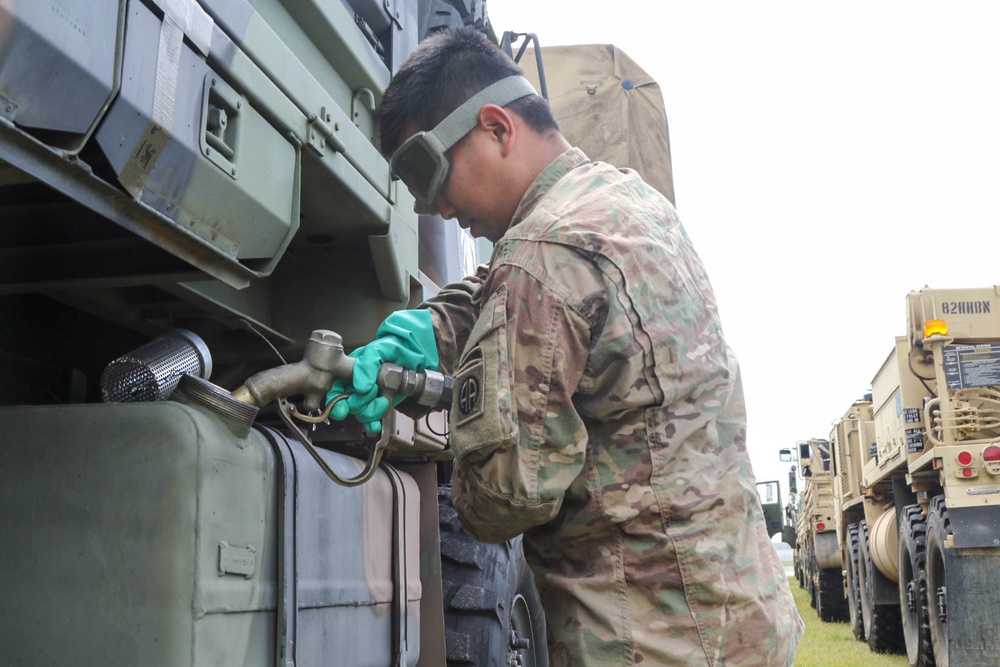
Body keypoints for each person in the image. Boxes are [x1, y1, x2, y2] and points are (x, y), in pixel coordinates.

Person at [328, 26, 804, 667]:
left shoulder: (540, 255)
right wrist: (431, 331)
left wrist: (453, 416)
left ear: (497, 127)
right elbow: (520, 289)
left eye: (430, 170)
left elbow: (505, 501)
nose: (435, 206)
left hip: (646, 640)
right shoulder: (627, 203)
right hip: (736, 619)